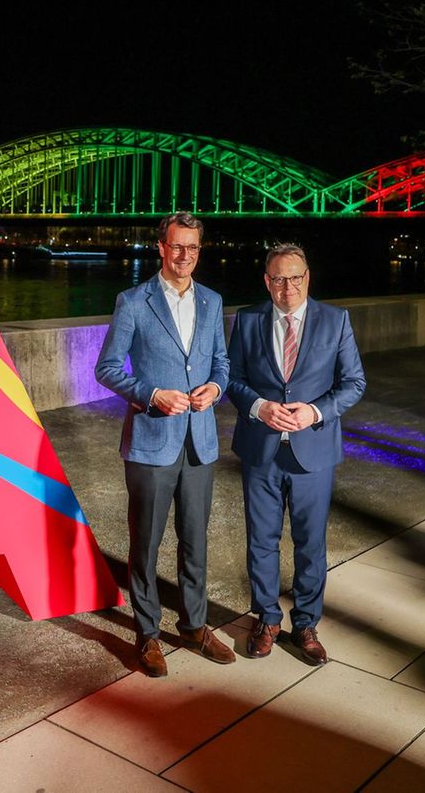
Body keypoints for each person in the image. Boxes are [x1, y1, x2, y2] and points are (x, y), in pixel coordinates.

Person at [94, 212, 235, 677]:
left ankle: (194, 626)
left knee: (195, 540)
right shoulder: (134, 301)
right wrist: (151, 394)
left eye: (193, 248)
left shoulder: (212, 301)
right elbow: (108, 368)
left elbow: (221, 363)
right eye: (177, 247)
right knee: (147, 543)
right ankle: (148, 633)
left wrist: (215, 388)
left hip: (200, 442)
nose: (184, 256)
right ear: (160, 247)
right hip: (152, 441)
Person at [226, 244, 365, 665]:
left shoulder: (335, 320)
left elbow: (354, 382)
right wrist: (257, 406)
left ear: (308, 277)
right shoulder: (248, 319)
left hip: (313, 452)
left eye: (296, 277)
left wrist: (315, 411)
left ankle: (305, 623)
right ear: (267, 281)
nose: (288, 287)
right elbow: (232, 378)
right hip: (261, 449)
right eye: (279, 279)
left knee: (310, 543)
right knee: (262, 541)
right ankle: (267, 619)